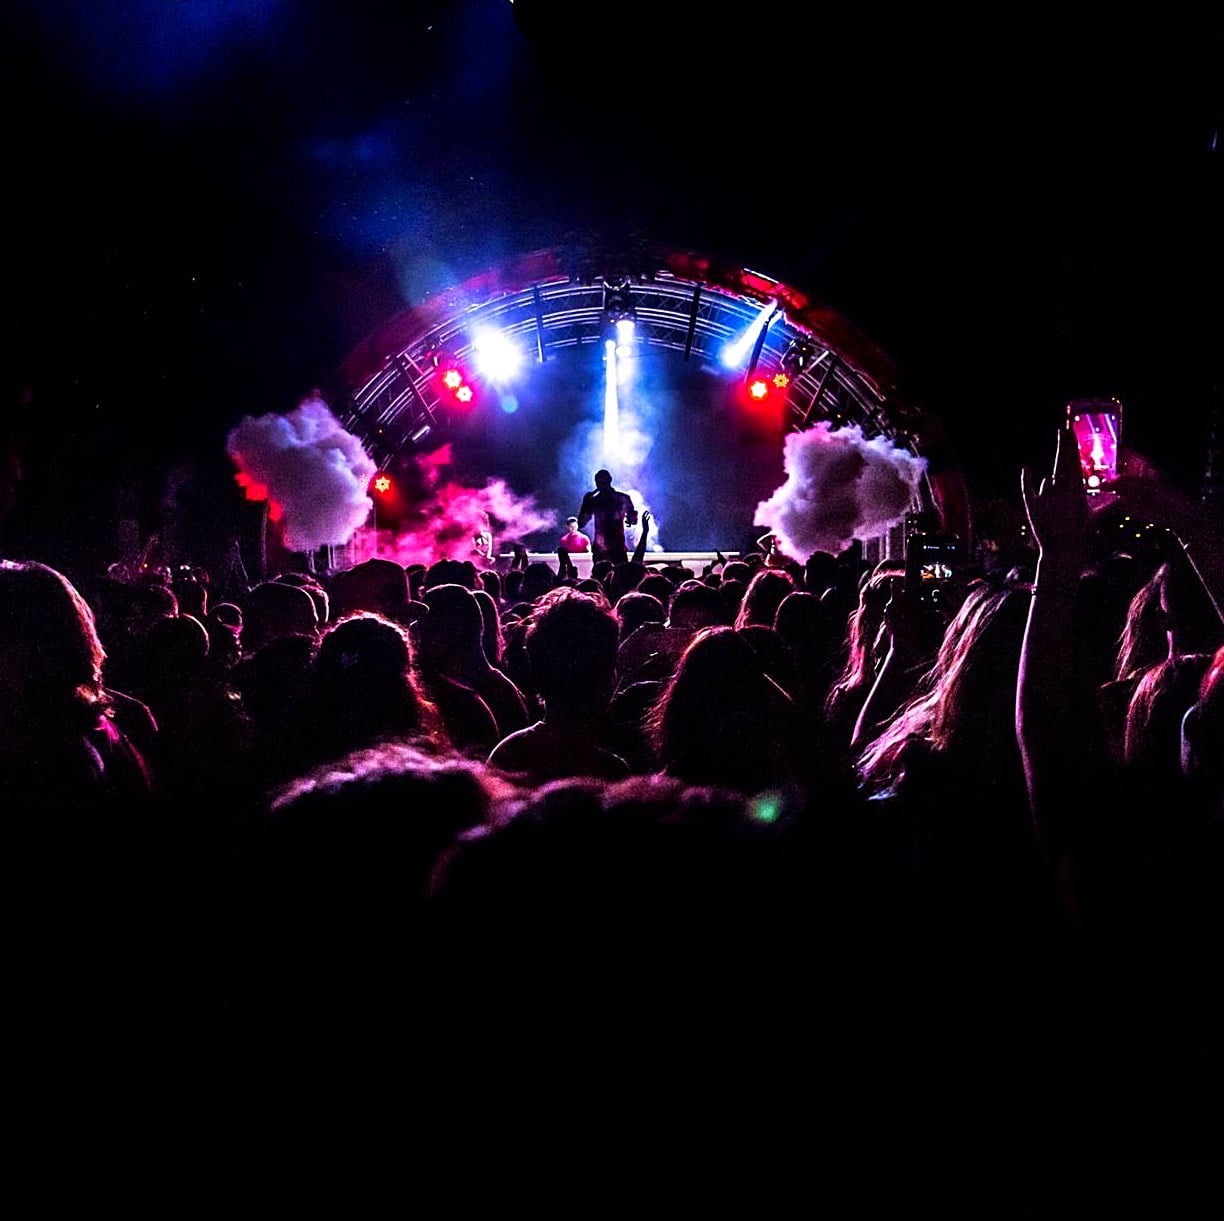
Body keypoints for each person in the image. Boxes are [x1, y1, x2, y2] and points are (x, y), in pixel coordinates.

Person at [577, 469, 638, 565]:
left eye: (602, 481)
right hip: (609, 549)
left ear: (609, 480)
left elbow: (581, 524)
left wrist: (585, 504)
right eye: (598, 481)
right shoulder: (620, 498)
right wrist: (585, 504)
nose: (600, 484)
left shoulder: (598, 500)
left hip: (612, 549)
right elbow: (581, 524)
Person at [556, 515, 591, 580]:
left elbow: (589, 555)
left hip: (583, 566)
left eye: (575, 527)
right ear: (567, 527)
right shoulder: (563, 539)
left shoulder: (584, 538)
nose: (573, 529)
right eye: (571, 527)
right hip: (569, 568)